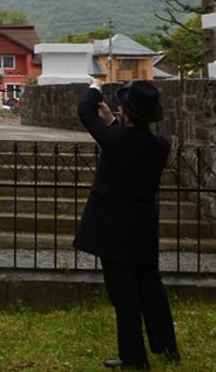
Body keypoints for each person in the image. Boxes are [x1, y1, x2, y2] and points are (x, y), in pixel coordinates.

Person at [73, 77, 180, 370]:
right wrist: (114, 125)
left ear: (127, 114)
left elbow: (84, 112)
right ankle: (166, 346)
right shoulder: (160, 146)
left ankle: (134, 357)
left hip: (113, 228)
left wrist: (95, 86)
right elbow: (132, 144)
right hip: (143, 225)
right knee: (150, 285)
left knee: (124, 293)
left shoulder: (116, 141)